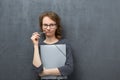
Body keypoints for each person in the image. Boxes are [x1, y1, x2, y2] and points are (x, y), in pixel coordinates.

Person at [31, 11, 73, 80]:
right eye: (45, 25)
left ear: (56, 26)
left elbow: (69, 69)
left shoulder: (65, 44)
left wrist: (45, 72)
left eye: (51, 25)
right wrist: (35, 45)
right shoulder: (39, 46)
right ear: (41, 26)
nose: (48, 28)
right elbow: (37, 70)